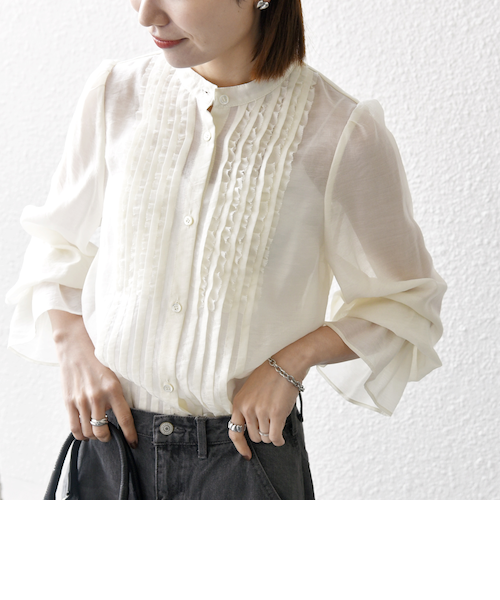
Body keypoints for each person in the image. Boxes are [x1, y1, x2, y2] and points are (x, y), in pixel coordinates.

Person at [5, 0, 446, 500]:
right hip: (111, 450)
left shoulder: (341, 132)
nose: (147, 15)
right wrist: (73, 348)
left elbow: (406, 303)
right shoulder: (116, 94)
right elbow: (57, 242)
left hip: (243, 461)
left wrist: (291, 363)